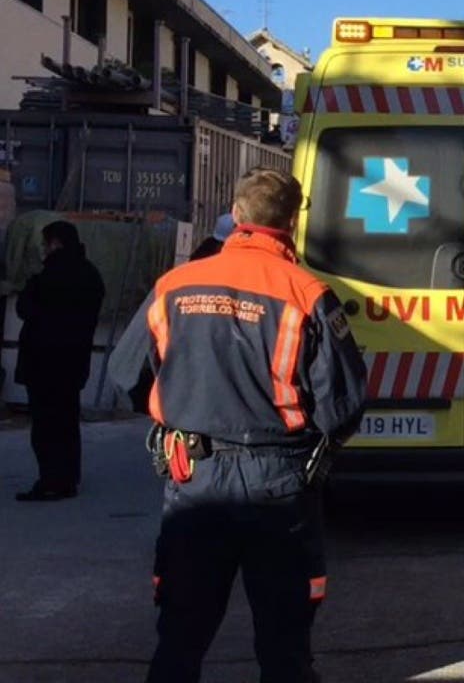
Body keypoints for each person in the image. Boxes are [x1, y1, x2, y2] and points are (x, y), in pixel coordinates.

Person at [108, 168, 366, 683]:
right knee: (285, 642)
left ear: (238, 215)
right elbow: (343, 405)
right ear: (292, 222)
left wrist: (179, 408)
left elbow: (123, 374)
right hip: (281, 480)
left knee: (181, 634)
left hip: (193, 476)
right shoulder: (307, 292)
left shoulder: (174, 285)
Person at [14, 220, 105, 501]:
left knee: (45, 426)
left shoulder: (47, 276)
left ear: (56, 243)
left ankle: (51, 480)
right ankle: (67, 477)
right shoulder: (91, 275)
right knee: (67, 422)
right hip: (74, 361)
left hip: (43, 362)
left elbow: (24, 308)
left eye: (46, 243)